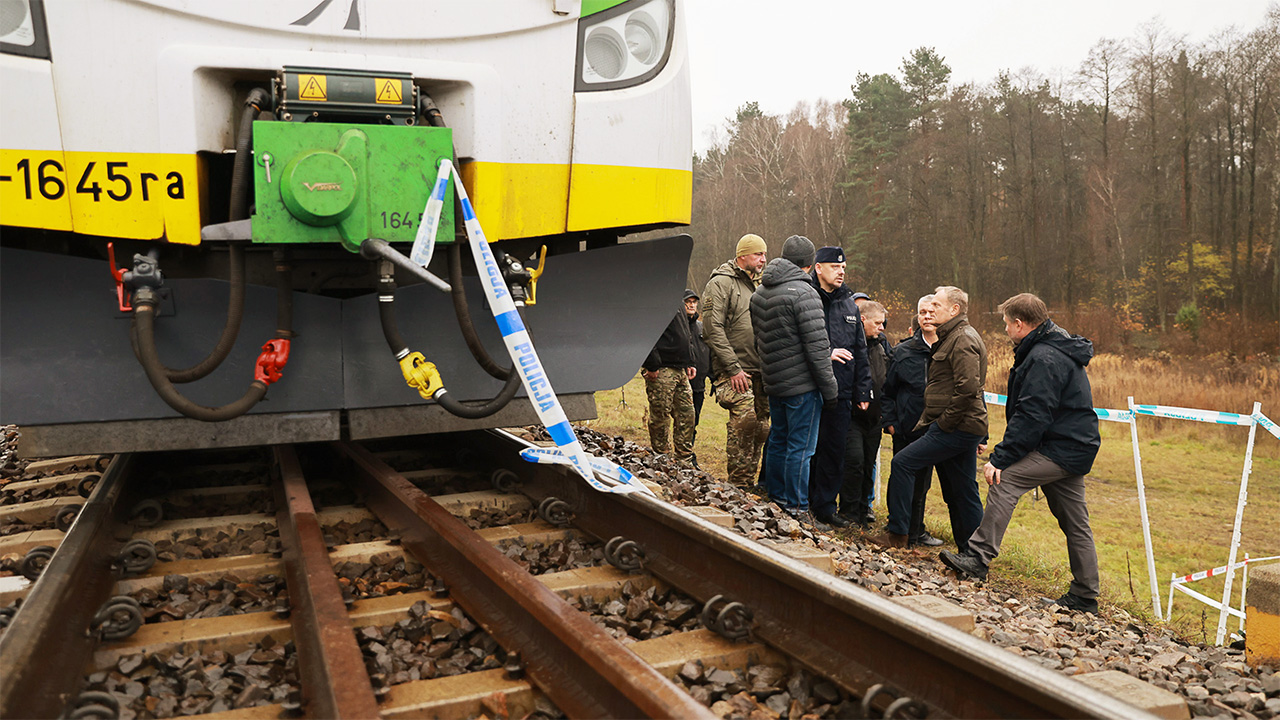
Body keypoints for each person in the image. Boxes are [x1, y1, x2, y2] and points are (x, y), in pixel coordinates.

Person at [940, 293, 1102, 614]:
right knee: (1076, 523)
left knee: (1005, 479)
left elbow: (1033, 414)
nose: (1004, 330)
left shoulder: (1044, 357)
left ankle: (977, 557)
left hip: (1061, 448)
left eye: (1005, 324)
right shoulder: (1051, 347)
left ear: (1019, 324)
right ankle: (1085, 596)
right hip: (1072, 446)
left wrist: (1001, 458)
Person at [872, 286, 987, 550]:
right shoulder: (952, 336)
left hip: (955, 428)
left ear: (954, 309)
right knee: (960, 490)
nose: (930, 310)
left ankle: (898, 535)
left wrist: (944, 422)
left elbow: (969, 388)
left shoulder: (963, 339)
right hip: (955, 426)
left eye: (936, 305)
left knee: (903, 463)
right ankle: (971, 554)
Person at [750, 235, 838, 526]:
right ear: (810, 264)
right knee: (800, 448)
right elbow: (817, 348)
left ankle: (776, 498)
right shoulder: (804, 293)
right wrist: (830, 389)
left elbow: (759, 341)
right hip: (802, 385)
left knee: (778, 440)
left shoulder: (760, 293)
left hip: (774, 381)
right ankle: (797, 507)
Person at [807, 247, 871, 528]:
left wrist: (862, 390)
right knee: (809, 449)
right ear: (818, 268)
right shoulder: (808, 298)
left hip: (842, 391)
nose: (841, 271)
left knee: (834, 452)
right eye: (835, 266)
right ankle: (801, 502)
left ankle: (824, 507)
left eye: (843, 267)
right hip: (810, 387)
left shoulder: (849, 304)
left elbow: (860, 349)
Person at [702, 234, 770, 486]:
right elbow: (711, 328)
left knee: (762, 428)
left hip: (761, 370)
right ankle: (739, 484)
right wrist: (733, 368)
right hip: (734, 370)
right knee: (745, 422)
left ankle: (749, 484)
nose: (763, 259)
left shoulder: (763, 285)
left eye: (764, 254)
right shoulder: (721, 283)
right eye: (757, 254)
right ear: (742, 255)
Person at [880, 297, 944, 546]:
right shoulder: (903, 351)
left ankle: (916, 532)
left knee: (923, 485)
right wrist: (891, 421)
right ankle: (897, 529)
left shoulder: (951, 349)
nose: (927, 316)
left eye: (931, 312)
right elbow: (888, 391)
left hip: (939, 429)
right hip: (907, 428)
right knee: (903, 480)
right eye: (922, 312)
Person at [841, 300, 889, 528]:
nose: (882, 327)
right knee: (854, 462)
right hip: (852, 417)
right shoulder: (848, 344)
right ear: (863, 320)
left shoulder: (881, 346)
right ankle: (848, 512)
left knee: (869, 464)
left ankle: (863, 511)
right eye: (877, 323)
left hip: (875, 418)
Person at [641, 302, 697, 464]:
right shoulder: (655, 298)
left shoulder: (676, 298)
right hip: (661, 367)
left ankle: (684, 459)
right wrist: (652, 363)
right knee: (660, 415)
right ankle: (662, 457)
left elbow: (685, 332)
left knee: (687, 414)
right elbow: (645, 332)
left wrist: (690, 360)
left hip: (680, 368)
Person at [684, 289, 712, 438]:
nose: (691, 305)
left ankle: (689, 452)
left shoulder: (702, 327)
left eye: (694, 302)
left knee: (694, 420)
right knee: (682, 421)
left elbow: (709, 352)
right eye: (687, 302)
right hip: (681, 383)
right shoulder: (677, 326)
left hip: (699, 385)